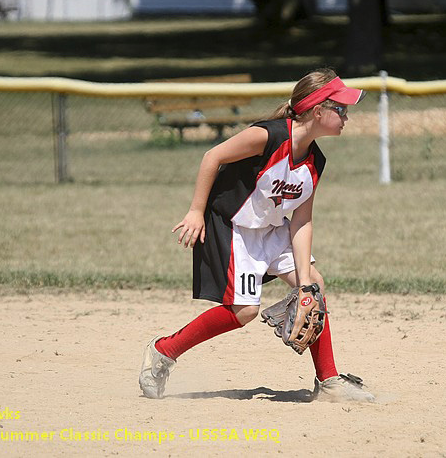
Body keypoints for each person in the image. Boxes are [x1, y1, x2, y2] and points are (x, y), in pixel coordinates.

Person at [138, 68, 375, 403]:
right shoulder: (269, 136)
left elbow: (302, 221)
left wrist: (305, 282)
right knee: (244, 311)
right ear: (318, 110)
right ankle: (163, 351)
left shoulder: (315, 160)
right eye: (341, 108)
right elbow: (213, 157)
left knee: (315, 287)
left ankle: (329, 380)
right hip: (232, 225)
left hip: (269, 228)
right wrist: (195, 210)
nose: (346, 116)